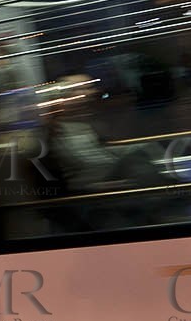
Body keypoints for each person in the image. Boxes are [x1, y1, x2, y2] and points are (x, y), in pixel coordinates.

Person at [41, 74, 168, 217]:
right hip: (88, 197)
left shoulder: (86, 123)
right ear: (68, 96)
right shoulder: (55, 131)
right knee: (139, 166)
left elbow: (103, 151)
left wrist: (141, 147)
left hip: (106, 181)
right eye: (85, 88)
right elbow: (85, 164)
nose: (92, 92)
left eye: (90, 88)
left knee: (140, 164)